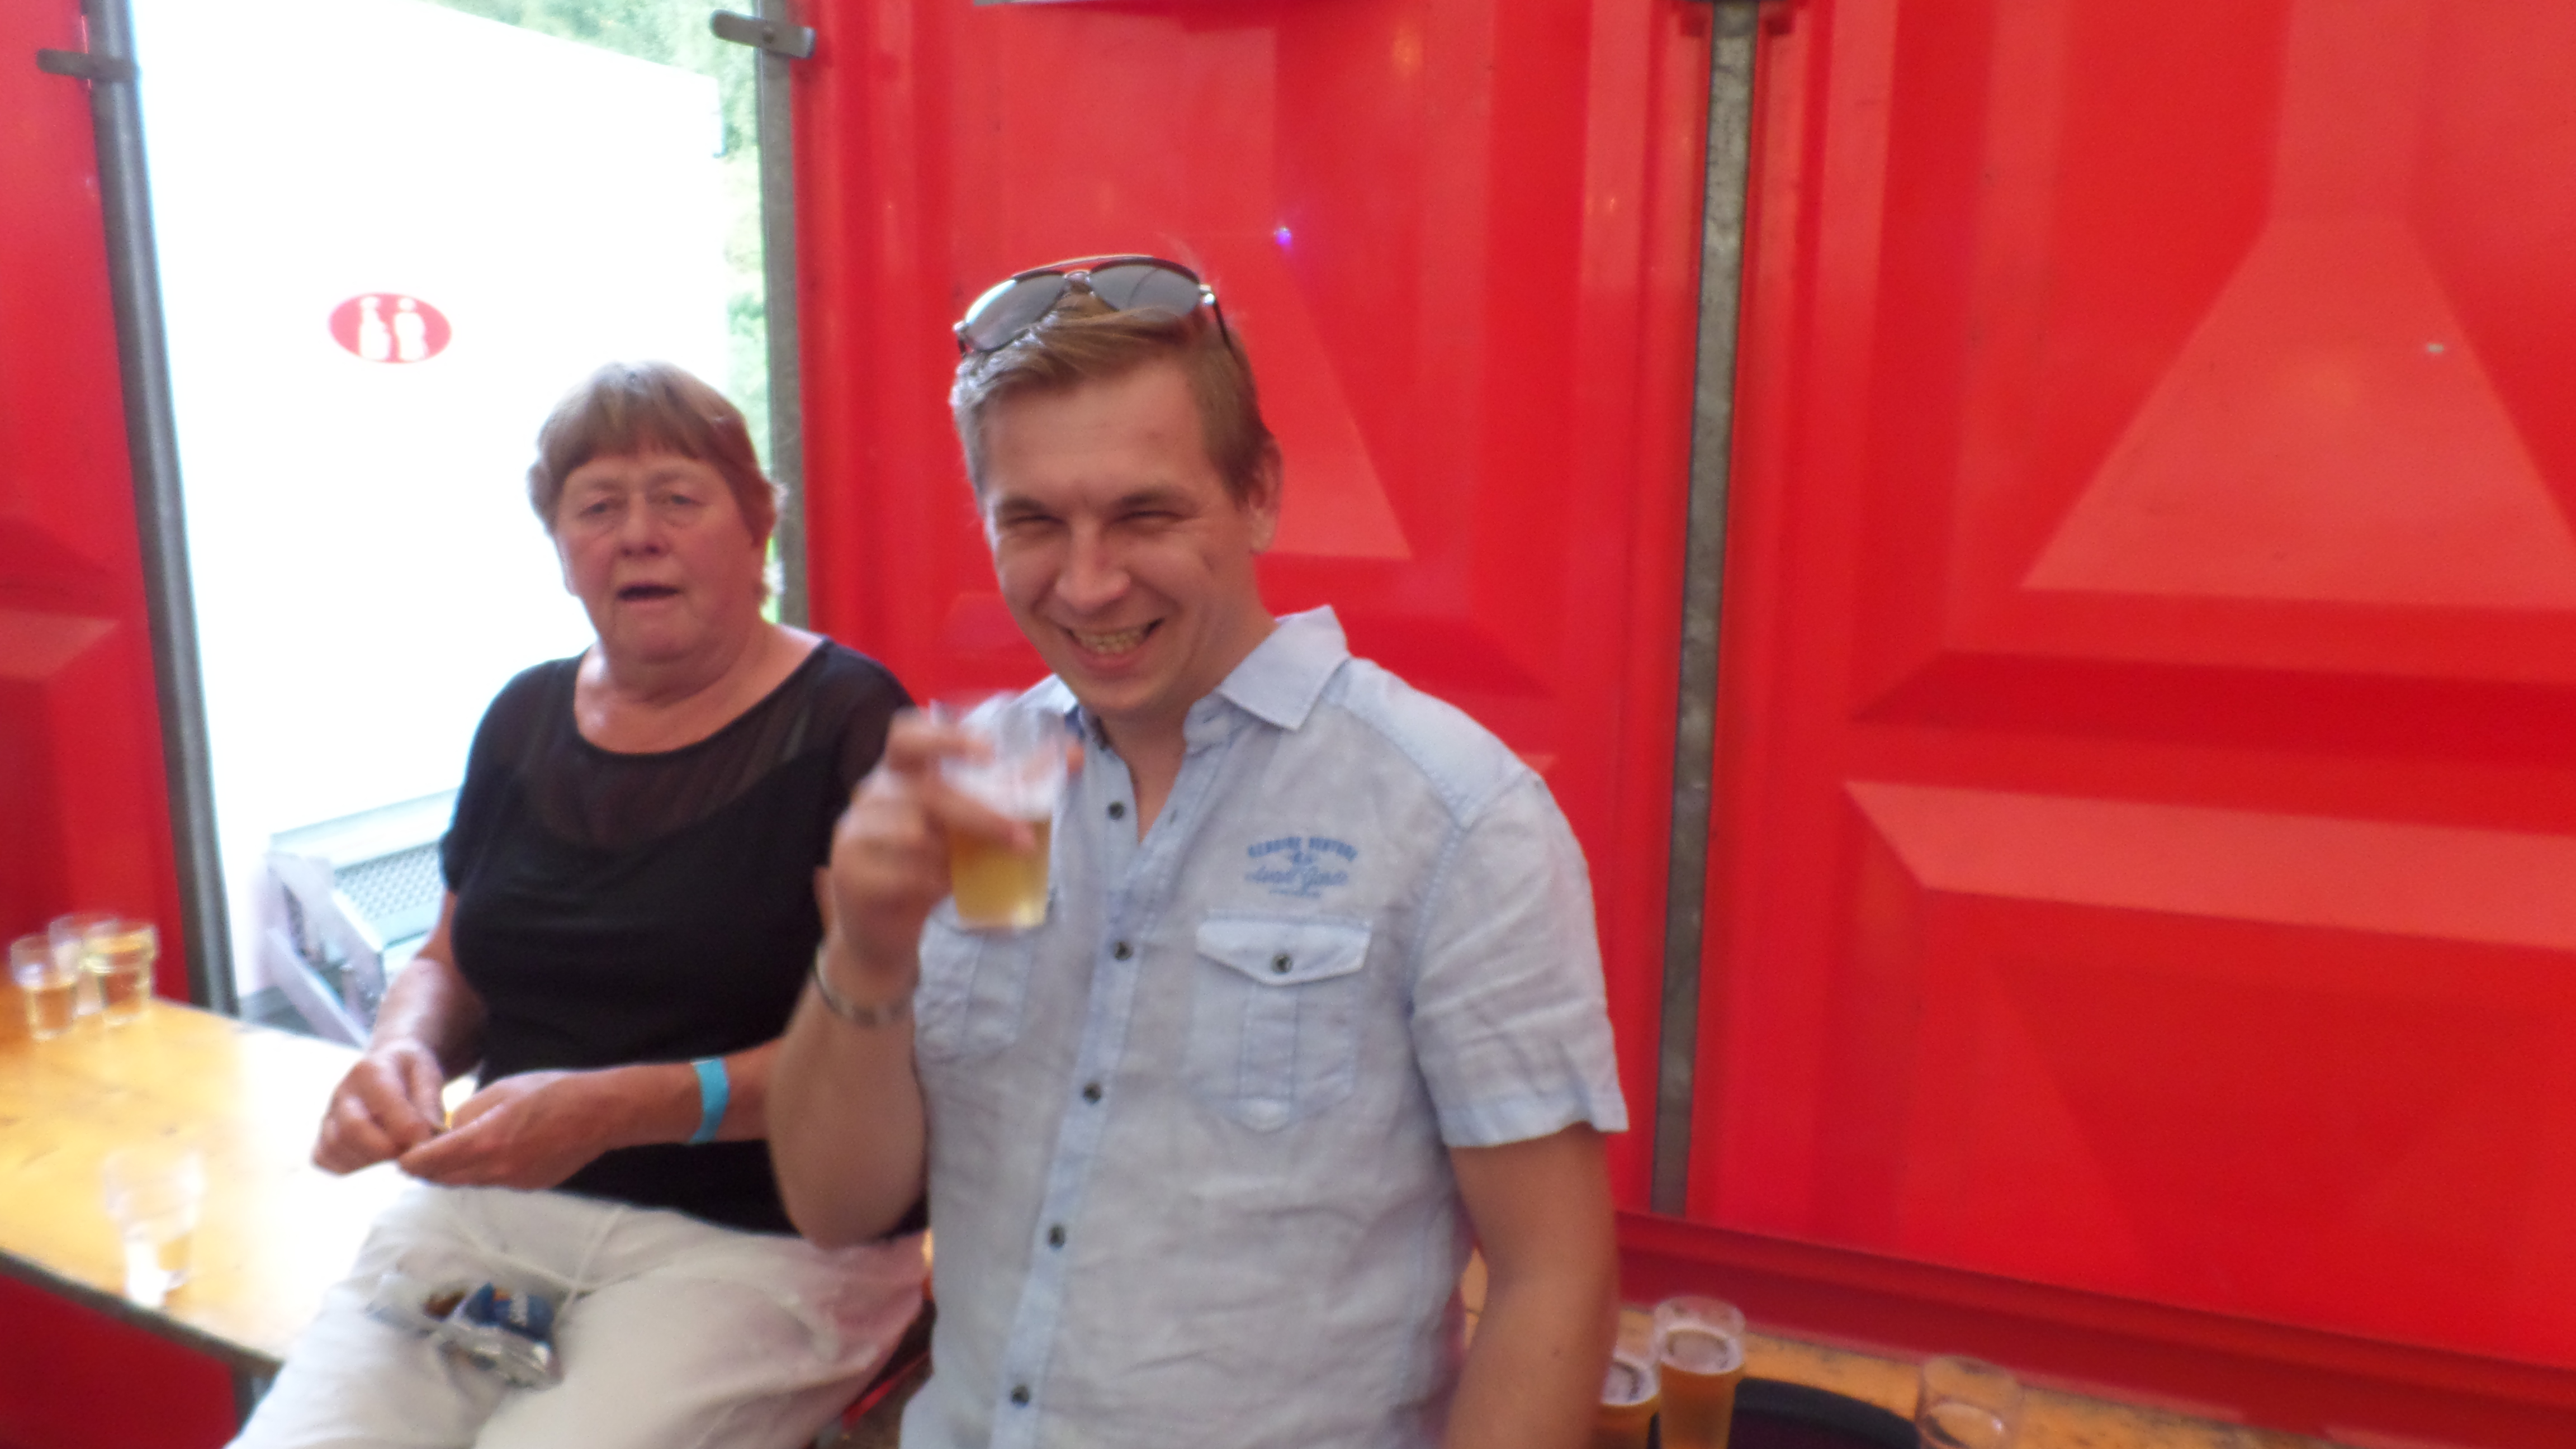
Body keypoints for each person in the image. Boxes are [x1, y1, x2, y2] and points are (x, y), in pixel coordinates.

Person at [768, 257, 1627, 1448]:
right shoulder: (973, 786)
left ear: (1259, 493)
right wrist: (865, 957)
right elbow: (836, 1206)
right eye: (1033, 522)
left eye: (1146, 514)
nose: (1087, 583)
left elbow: (1552, 1275)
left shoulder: (1452, 815)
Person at [231, 362, 925, 1449]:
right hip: (494, 1215)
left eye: (678, 498)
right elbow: (448, 964)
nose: (637, 535)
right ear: (562, 551)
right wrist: (402, 1050)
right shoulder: (524, 715)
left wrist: (621, 1107)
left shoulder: (848, 716)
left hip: (762, 1244)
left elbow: (894, 1046)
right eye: (598, 507)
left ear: (759, 527)